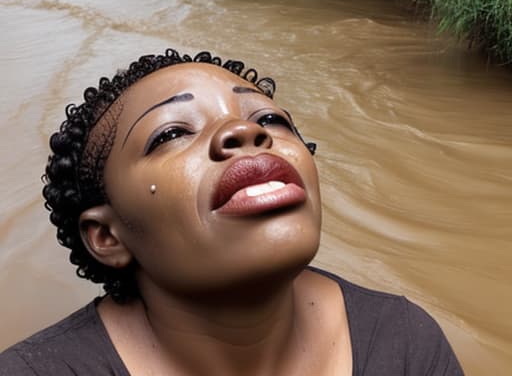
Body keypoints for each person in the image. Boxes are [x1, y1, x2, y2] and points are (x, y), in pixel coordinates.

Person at [0, 49, 464, 375]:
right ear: (107, 235)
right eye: (171, 134)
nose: (243, 131)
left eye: (270, 120)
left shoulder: (405, 345)